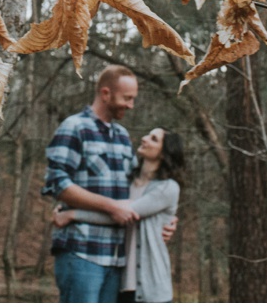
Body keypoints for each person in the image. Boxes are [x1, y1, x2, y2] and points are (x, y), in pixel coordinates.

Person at [41, 65, 141, 302]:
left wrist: (166, 220)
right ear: (105, 94)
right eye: (127, 98)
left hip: (117, 257)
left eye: (133, 99)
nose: (131, 105)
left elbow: (140, 188)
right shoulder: (75, 127)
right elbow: (57, 183)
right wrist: (111, 206)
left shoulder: (123, 137)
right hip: (81, 252)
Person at [53, 128, 184, 303]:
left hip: (151, 287)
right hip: (120, 281)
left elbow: (119, 214)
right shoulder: (127, 181)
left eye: (153, 139)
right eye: (147, 135)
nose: (144, 139)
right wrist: (66, 205)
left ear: (164, 152)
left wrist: (73, 214)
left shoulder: (167, 187)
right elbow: (105, 205)